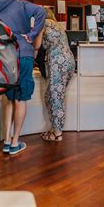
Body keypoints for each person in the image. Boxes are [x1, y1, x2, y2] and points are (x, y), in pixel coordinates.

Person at [0, 0, 45, 155]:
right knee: (20, 98)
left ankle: (5, 140)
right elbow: (41, 11)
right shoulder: (21, 5)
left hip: (4, 54)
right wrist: (33, 33)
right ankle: (15, 142)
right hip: (23, 53)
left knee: (8, 97)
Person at [34, 8, 75, 141]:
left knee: (56, 96)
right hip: (69, 60)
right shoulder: (58, 26)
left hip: (58, 62)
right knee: (51, 95)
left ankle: (57, 133)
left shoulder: (42, 23)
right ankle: (54, 128)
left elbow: (38, 45)